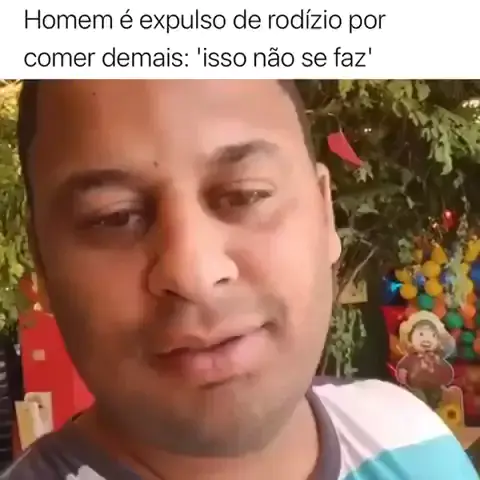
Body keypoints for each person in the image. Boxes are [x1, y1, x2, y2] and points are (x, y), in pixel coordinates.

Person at [2, 80, 476, 479]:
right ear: (43, 266)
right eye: (114, 216)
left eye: (246, 194)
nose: (194, 273)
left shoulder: (413, 439)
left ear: (324, 213)